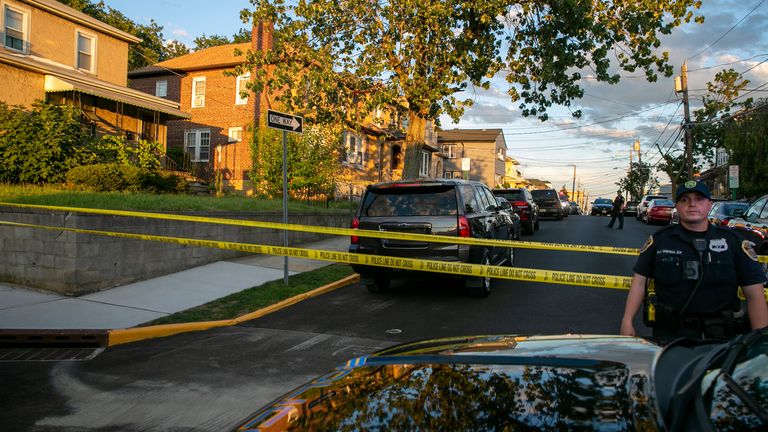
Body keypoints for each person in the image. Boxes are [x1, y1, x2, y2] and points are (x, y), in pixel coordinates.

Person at [620, 180, 768, 341]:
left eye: (699, 198)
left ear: (709, 205)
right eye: (685, 200)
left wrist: (760, 344)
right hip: (669, 337)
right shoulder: (660, 240)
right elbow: (640, 282)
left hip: (721, 341)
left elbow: (755, 295)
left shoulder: (733, 242)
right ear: (676, 206)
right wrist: (627, 321)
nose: (692, 204)